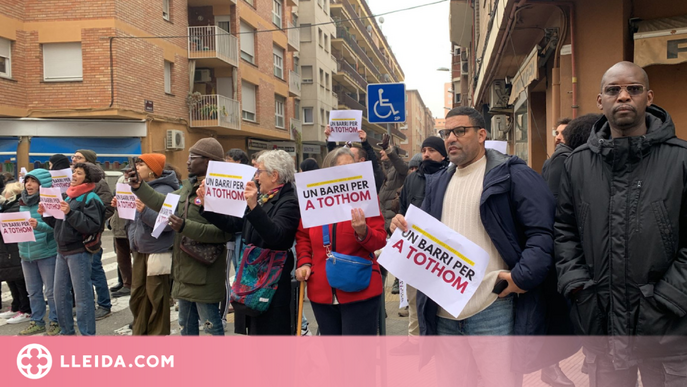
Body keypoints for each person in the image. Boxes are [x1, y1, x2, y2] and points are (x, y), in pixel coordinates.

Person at [391, 107, 568, 385]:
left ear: (482, 134)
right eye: (446, 132)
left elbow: (543, 233)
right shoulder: (437, 183)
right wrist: (402, 227)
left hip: (493, 308)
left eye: (460, 131)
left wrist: (521, 278)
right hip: (444, 313)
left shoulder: (512, 175)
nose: (451, 138)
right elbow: (424, 235)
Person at [555, 61, 687, 386]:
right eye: (614, 90)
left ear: (649, 97)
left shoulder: (681, 160)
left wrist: (668, 300)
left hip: (669, 332)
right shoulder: (578, 164)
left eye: (634, 89)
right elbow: (564, 233)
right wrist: (579, 290)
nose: (623, 97)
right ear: (600, 100)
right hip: (602, 327)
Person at [128, 138, 231, 336]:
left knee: (210, 325)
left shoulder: (220, 190)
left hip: (204, 269)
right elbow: (162, 202)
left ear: (208, 162)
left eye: (193, 157)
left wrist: (185, 226)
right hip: (183, 268)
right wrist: (139, 186)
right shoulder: (187, 187)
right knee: (185, 325)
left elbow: (223, 233)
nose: (187, 161)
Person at [200, 150, 301, 335]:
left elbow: (277, 237)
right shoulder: (262, 199)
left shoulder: (289, 201)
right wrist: (207, 206)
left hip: (271, 283)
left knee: (271, 339)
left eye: (259, 172)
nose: (256, 177)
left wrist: (254, 206)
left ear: (274, 175)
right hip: (252, 279)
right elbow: (234, 224)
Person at [295, 147, 387, 335]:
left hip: (361, 289)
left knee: (358, 358)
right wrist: (304, 262)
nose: (350, 172)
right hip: (322, 291)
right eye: (343, 168)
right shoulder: (315, 198)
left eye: (352, 167)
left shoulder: (366, 197)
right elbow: (303, 237)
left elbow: (379, 241)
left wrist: (363, 232)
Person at [391, 136, 449, 355]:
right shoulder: (413, 179)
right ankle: (415, 342)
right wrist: (397, 223)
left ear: (443, 154)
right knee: (414, 300)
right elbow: (403, 210)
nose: (426, 154)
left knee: (440, 300)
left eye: (432, 150)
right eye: (424, 149)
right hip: (416, 252)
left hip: (441, 252)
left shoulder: (451, 175)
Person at [114, 154, 178, 335]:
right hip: (141, 249)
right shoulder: (137, 188)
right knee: (138, 297)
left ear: (152, 169)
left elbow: (165, 225)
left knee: (156, 297)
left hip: (157, 251)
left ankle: (157, 336)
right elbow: (133, 221)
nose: (136, 168)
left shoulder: (165, 190)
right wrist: (121, 207)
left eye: (141, 164)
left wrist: (143, 211)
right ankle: (140, 333)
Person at [41, 162, 105, 336]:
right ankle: (67, 333)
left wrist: (70, 212)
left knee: (82, 297)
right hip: (62, 251)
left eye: (79, 173)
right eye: (74, 172)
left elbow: (92, 225)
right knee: (59, 295)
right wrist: (45, 214)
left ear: (88, 178)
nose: (74, 175)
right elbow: (59, 223)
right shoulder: (68, 196)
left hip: (79, 251)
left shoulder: (91, 198)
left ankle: (87, 335)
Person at [18, 169, 61, 336]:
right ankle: (37, 321)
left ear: (42, 184)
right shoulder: (21, 201)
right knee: (33, 291)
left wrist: (39, 226)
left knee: (51, 291)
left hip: (46, 252)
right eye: (27, 181)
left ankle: (56, 321)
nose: (29, 184)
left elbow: (56, 227)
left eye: (33, 181)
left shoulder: (50, 201)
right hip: (26, 253)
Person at [72, 149, 113, 320]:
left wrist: (93, 221)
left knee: (95, 269)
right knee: (82, 274)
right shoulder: (73, 182)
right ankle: (87, 304)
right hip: (74, 235)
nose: (74, 159)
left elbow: (108, 206)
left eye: (79, 157)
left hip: (90, 235)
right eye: (74, 157)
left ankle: (104, 304)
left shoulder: (99, 183)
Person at [0, 182, 32, 325]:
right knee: (11, 279)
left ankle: (25, 309)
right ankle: (16, 306)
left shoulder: (14, 208)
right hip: (7, 249)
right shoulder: (7, 207)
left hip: (14, 249)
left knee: (18, 280)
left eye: (6, 192)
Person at [325, 127, 385, 193]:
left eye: (351, 155)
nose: (347, 155)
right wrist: (331, 139)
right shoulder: (341, 175)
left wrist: (365, 143)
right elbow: (334, 158)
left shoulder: (371, 176)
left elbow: (374, 165)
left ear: (361, 160)